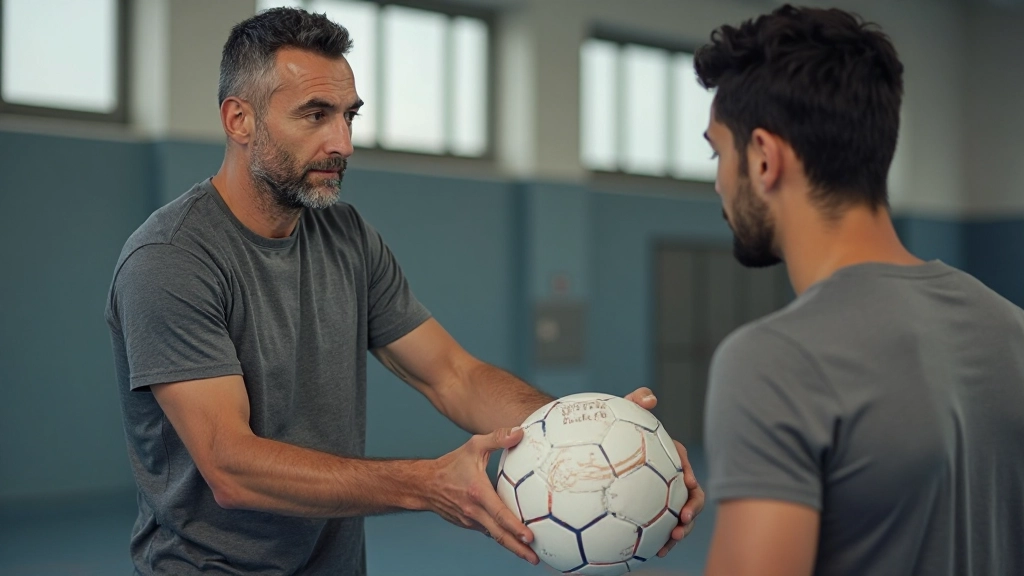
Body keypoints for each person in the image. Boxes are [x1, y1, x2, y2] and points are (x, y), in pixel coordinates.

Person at [105, 7, 703, 575]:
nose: (343, 143)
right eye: (315, 115)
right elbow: (230, 466)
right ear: (240, 120)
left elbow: (452, 375)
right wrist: (426, 484)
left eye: (349, 116)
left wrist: (595, 436)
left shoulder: (344, 233)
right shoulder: (172, 259)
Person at [694, 5, 1024, 576]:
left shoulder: (773, 363)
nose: (719, 181)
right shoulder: (1013, 330)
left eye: (717, 152)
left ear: (765, 158)